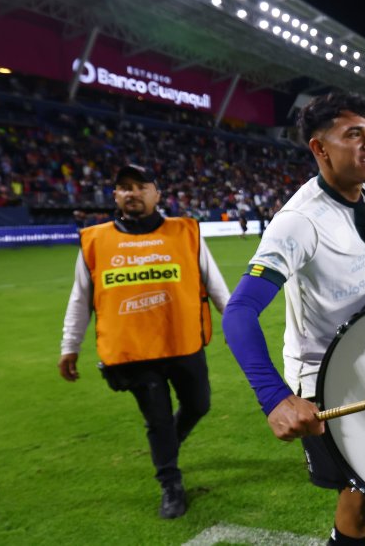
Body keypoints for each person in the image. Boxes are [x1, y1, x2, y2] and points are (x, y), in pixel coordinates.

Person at [220, 92, 365, 546]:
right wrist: (275, 398)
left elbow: (362, 241)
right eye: (353, 135)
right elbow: (240, 311)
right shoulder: (299, 223)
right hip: (322, 376)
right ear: (319, 149)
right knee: (362, 491)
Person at [58, 164, 231, 519]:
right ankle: (170, 483)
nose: (132, 193)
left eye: (140, 186)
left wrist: (236, 326)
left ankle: (167, 447)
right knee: (158, 420)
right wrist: (69, 345)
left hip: (183, 342)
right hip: (134, 351)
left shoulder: (185, 231)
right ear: (115, 195)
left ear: (157, 194)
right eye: (124, 187)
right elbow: (81, 297)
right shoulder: (95, 240)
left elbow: (214, 284)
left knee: (199, 405)